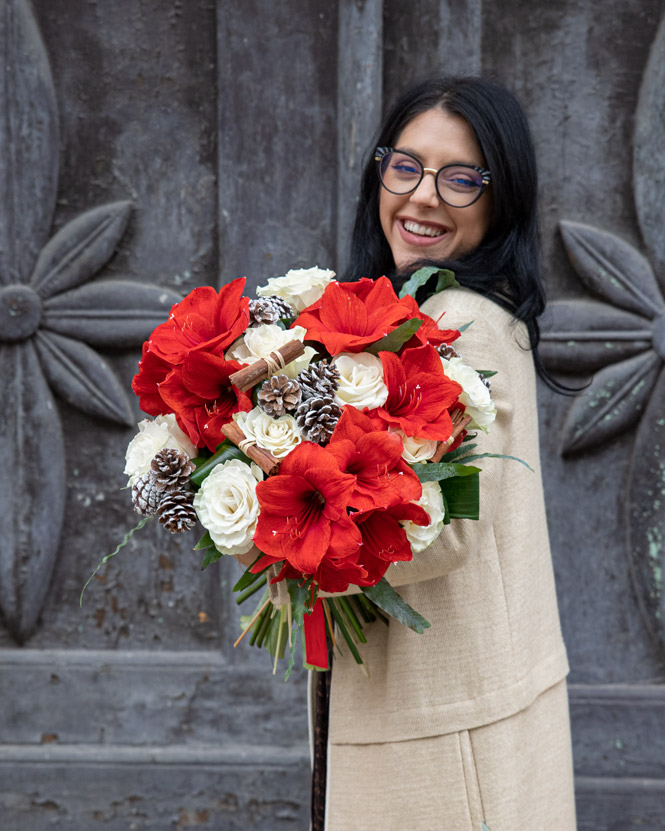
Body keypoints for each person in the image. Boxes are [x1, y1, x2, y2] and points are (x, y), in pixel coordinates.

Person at [322, 77, 576, 830]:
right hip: (439, 708)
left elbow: (447, 527)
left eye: (460, 178)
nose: (422, 196)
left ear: (501, 200)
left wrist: (287, 527)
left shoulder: (460, 320)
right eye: (405, 166)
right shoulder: (419, 309)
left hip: (445, 727)